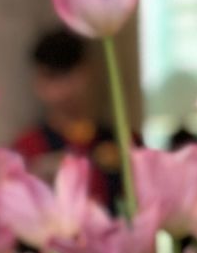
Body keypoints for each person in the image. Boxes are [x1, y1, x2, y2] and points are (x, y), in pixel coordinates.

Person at [13, 28, 122, 210]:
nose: (65, 88)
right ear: (38, 83)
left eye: (71, 74)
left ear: (87, 72)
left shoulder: (121, 142)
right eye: (53, 77)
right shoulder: (28, 149)